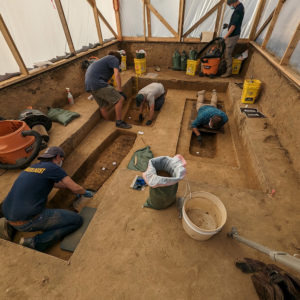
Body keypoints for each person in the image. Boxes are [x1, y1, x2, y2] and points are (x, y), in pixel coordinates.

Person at [0, 146, 93, 251]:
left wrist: (71, 187)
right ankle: (35, 242)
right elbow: (75, 188)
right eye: (62, 160)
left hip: (8, 214)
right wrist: (84, 191)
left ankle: (6, 225)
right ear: (57, 157)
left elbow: (55, 184)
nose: (61, 163)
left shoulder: (32, 168)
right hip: (27, 222)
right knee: (77, 220)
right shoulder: (53, 168)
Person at [85, 51, 132, 129]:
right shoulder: (114, 58)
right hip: (97, 83)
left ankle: (108, 123)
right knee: (120, 99)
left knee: (103, 106)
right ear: (118, 60)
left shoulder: (103, 61)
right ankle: (119, 122)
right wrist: (120, 90)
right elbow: (117, 75)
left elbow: (102, 77)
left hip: (89, 85)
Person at [221, 0, 244, 78]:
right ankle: (223, 69)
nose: (231, 7)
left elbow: (233, 26)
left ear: (233, 2)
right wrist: (228, 25)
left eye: (230, 5)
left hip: (233, 36)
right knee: (226, 53)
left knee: (227, 54)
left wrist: (225, 36)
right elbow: (235, 23)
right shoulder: (240, 7)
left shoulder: (238, 10)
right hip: (233, 35)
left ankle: (228, 72)